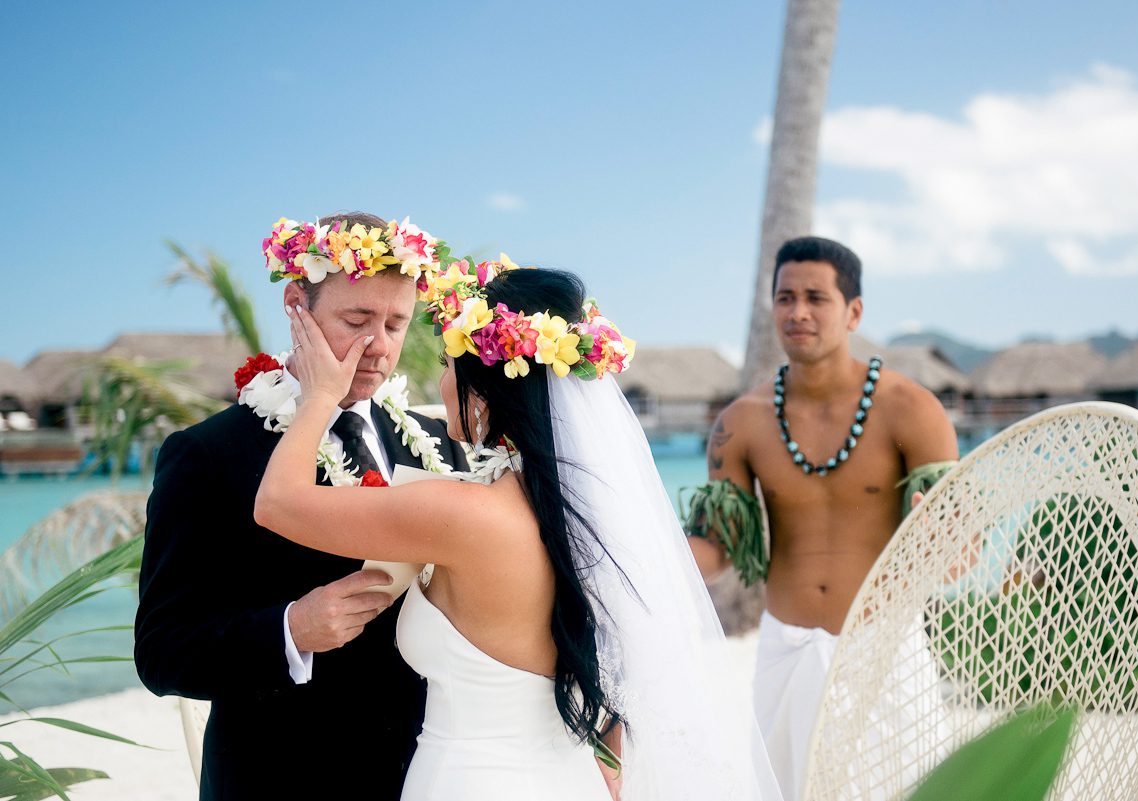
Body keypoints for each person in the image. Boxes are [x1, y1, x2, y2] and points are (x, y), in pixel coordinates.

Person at [255, 256, 784, 800]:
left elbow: (278, 503)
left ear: (483, 387)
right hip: (570, 780)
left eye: (446, 360)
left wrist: (319, 395)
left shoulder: (460, 514)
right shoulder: (583, 520)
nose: (439, 380)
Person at [134, 212, 469, 800]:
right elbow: (161, 652)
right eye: (356, 320)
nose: (379, 347)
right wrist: (290, 630)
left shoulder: (440, 444)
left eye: (396, 323)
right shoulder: (208, 454)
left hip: (429, 770)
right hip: (280, 775)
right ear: (297, 305)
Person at [687, 236, 958, 799]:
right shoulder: (742, 423)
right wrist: (634, 556)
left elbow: (953, 552)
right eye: (785, 298)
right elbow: (718, 547)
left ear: (853, 311)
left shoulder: (911, 408)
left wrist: (952, 538)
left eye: (816, 297)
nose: (798, 312)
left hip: (883, 649)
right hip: (784, 648)